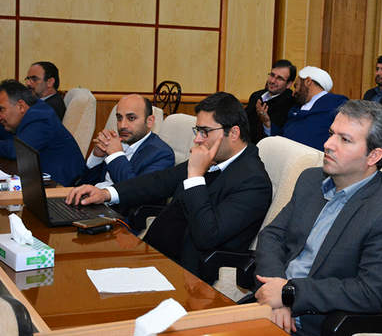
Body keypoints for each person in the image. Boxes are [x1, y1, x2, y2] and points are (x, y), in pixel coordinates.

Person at [252, 99, 382, 336]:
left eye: (345, 140)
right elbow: (272, 236)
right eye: (331, 134)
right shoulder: (310, 180)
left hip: (313, 330)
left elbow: (369, 292)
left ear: (373, 155)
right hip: (267, 307)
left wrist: (289, 294)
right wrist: (276, 295)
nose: (328, 144)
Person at [65, 92, 272, 283]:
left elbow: (207, 235)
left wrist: (195, 177)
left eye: (205, 132)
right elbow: (159, 181)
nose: (197, 139)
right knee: (77, 271)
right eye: (197, 131)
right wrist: (106, 193)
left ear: (233, 133)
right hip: (151, 258)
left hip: (188, 278)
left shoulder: (253, 182)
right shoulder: (214, 158)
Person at [0, 79, 85, 186]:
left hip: (65, 188)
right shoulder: (21, 116)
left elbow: (16, 150)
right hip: (39, 182)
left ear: (21, 106)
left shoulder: (41, 118)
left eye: (1, 109)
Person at [78, 94, 175, 191]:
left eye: (131, 118)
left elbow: (135, 192)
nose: (122, 125)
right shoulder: (115, 142)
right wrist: (97, 157)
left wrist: (115, 155)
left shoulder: (162, 154)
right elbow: (84, 184)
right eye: (119, 118)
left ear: (149, 121)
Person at [269, 66, 348, 151]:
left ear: (308, 81)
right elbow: (284, 136)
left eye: (296, 86)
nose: (293, 93)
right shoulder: (297, 108)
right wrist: (267, 124)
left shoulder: (337, 104)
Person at [246, 59, 296, 144]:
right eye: (272, 75)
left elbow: (283, 138)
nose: (272, 81)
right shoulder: (256, 96)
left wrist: (266, 122)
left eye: (279, 78)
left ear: (289, 84)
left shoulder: (291, 104)